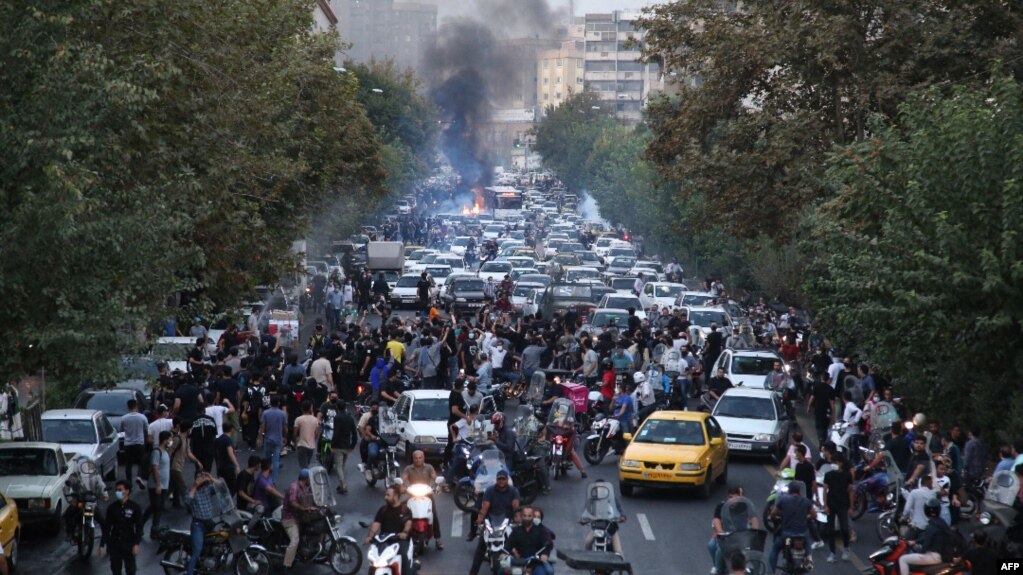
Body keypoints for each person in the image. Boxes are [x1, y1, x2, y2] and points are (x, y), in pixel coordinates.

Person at [469, 469, 520, 575]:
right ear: (496, 480)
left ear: (507, 480)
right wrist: (480, 519)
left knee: (515, 544)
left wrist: (518, 519)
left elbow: (516, 506)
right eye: (499, 479)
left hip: (507, 521)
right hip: (491, 521)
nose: (501, 481)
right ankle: (473, 572)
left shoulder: (513, 491)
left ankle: (519, 569)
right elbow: (485, 507)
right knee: (481, 547)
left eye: (503, 479)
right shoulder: (490, 491)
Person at [709, 483, 759, 575]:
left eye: (735, 497)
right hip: (726, 538)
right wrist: (720, 532)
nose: (732, 500)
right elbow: (716, 520)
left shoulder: (745, 507)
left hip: (742, 538)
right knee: (714, 547)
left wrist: (755, 533)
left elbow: (754, 519)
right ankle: (717, 568)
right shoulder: (721, 506)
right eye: (730, 497)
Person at [363, 486, 413, 575]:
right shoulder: (383, 510)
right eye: (385, 495)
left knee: (403, 556)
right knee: (373, 560)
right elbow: (376, 524)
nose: (385, 497)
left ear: (396, 496)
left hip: (399, 541)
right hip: (384, 540)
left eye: (388, 495)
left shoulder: (405, 510)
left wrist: (404, 533)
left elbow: (408, 523)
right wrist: (370, 536)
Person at [400, 450, 443, 550]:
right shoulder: (408, 469)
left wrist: (438, 485)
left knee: (434, 514)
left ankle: (438, 539)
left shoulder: (429, 467)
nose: (418, 460)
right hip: (412, 495)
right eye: (416, 458)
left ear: (423, 458)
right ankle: (403, 536)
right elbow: (403, 478)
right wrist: (401, 485)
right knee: (404, 514)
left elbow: (435, 477)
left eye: (420, 458)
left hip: (427, 495)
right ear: (413, 459)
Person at [768, 482, 814, 573]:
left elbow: (773, 513)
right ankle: (808, 559)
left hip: (787, 535)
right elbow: (814, 515)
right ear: (799, 491)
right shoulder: (806, 501)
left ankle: (770, 572)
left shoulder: (783, 499)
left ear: (789, 491)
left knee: (775, 549)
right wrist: (807, 516)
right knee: (808, 542)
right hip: (802, 534)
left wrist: (771, 518)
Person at [99, 480, 143, 575]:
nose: (117, 492)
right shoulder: (112, 508)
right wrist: (102, 545)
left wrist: (136, 544)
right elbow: (107, 527)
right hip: (115, 543)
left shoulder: (135, 507)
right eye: (116, 490)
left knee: (131, 570)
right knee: (115, 569)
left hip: (129, 543)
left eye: (120, 490)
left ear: (127, 491)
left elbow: (139, 527)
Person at [898, 498, 947, 575]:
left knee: (903, 559)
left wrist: (918, 551)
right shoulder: (941, 522)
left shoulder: (931, 526)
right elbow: (927, 537)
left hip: (933, 556)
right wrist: (915, 541)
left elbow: (925, 546)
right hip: (942, 554)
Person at [282, 468, 317, 572]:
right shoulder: (294, 487)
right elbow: (293, 502)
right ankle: (286, 565)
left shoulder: (306, 487)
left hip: (301, 517)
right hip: (290, 518)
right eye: (309, 478)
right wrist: (305, 508)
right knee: (295, 540)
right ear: (306, 479)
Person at [184, 472, 219, 575]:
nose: (201, 479)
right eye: (199, 478)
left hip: (210, 523)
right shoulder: (192, 491)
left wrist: (211, 478)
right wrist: (195, 486)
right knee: (197, 551)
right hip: (198, 525)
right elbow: (187, 501)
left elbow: (222, 487)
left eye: (202, 477)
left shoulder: (208, 489)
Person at [581, 479, 626, 556]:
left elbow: (620, 511)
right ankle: (588, 559)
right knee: (587, 542)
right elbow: (586, 512)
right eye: (598, 487)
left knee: (619, 552)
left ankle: (622, 566)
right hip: (597, 528)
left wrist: (622, 517)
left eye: (602, 487)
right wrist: (583, 520)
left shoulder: (612, 499)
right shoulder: (591, 500)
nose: (600, 489)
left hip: (611, 528)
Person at [822, 457, 854, 562]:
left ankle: (846, 547)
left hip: (843, 504)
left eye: (835, 462)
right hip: (831, 504)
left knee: (844, 528)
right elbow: (825, 490)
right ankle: (832, 553)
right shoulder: (828, 475)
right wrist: (825, 505)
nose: (833, 464)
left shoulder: (847, 476)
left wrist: (851, 506)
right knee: (830, 530)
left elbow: (850, 491)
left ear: (840, 463)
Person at [142, 430, 172, 539]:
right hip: (156, 486)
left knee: (157, 508)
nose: (170, 441)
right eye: (169, 439)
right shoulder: (156, 452)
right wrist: (158, 484)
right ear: (165, 440)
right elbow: (155, 468)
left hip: (164, 485)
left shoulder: (165, 452)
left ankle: (154, 528)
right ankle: (151, 528)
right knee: (156, 507)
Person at [507, 507, 553, 575]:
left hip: (535, 562)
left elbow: (548, 544)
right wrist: (503, 553)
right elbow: (508, 544)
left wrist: (545, 554)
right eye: (525, 516)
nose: (527, 518)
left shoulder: (540, 530)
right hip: (519, 562)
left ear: (533, 517)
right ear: (521, 516)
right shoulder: (516, 531)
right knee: (501, 571)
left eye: (529, 516)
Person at [119, 399, 149, 489]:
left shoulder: (124, 418)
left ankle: (129, 483)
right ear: (136, 406)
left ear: (128, 407)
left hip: (128, 443)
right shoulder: (142, 417)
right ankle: (140, 477)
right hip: (140, 443)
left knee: (128, 464)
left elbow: (121, 430)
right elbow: (146, 429)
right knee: (142, 462)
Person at [258, 396, 288, 485]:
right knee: (276, 460)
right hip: (278, 439)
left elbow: (262, 427)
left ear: (270, 402)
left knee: (267, 459)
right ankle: (273, 481)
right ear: (279, 403)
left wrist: (259, 438)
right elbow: (285, 428)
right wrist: (286, 437)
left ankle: (265, 477)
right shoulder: (282, 414)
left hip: (268, 439)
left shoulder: (265, 413)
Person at [330, 400, 358, 494]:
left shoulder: (337, 418)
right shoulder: (350, 418)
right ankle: (341, 483)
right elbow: (354, 433)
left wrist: (332, 445)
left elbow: (336, 433)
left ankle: (343, 485)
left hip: (338, 445)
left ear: (337, 408)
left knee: (339, 466)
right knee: (342, 466)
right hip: (347, 445)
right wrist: (353, 445)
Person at [293, 400, 320, 470]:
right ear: (310, 408)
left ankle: (305, 479)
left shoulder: (298, 419)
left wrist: (295, 443)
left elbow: (295, 433)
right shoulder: (315, 420)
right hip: (311, 446)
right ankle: (308, 478)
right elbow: (316, 433)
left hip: (301, 444)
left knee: (303, 466)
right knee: (307, 464)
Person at [215, 422, 240, 494]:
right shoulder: (228, 440)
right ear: (231, 430)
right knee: (232, 487)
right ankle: (229, 503)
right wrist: (236, 465)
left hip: (220, 466)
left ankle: (225, 502)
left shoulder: (218, 439)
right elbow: (230, 454)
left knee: (223, 487)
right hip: (228, 467)